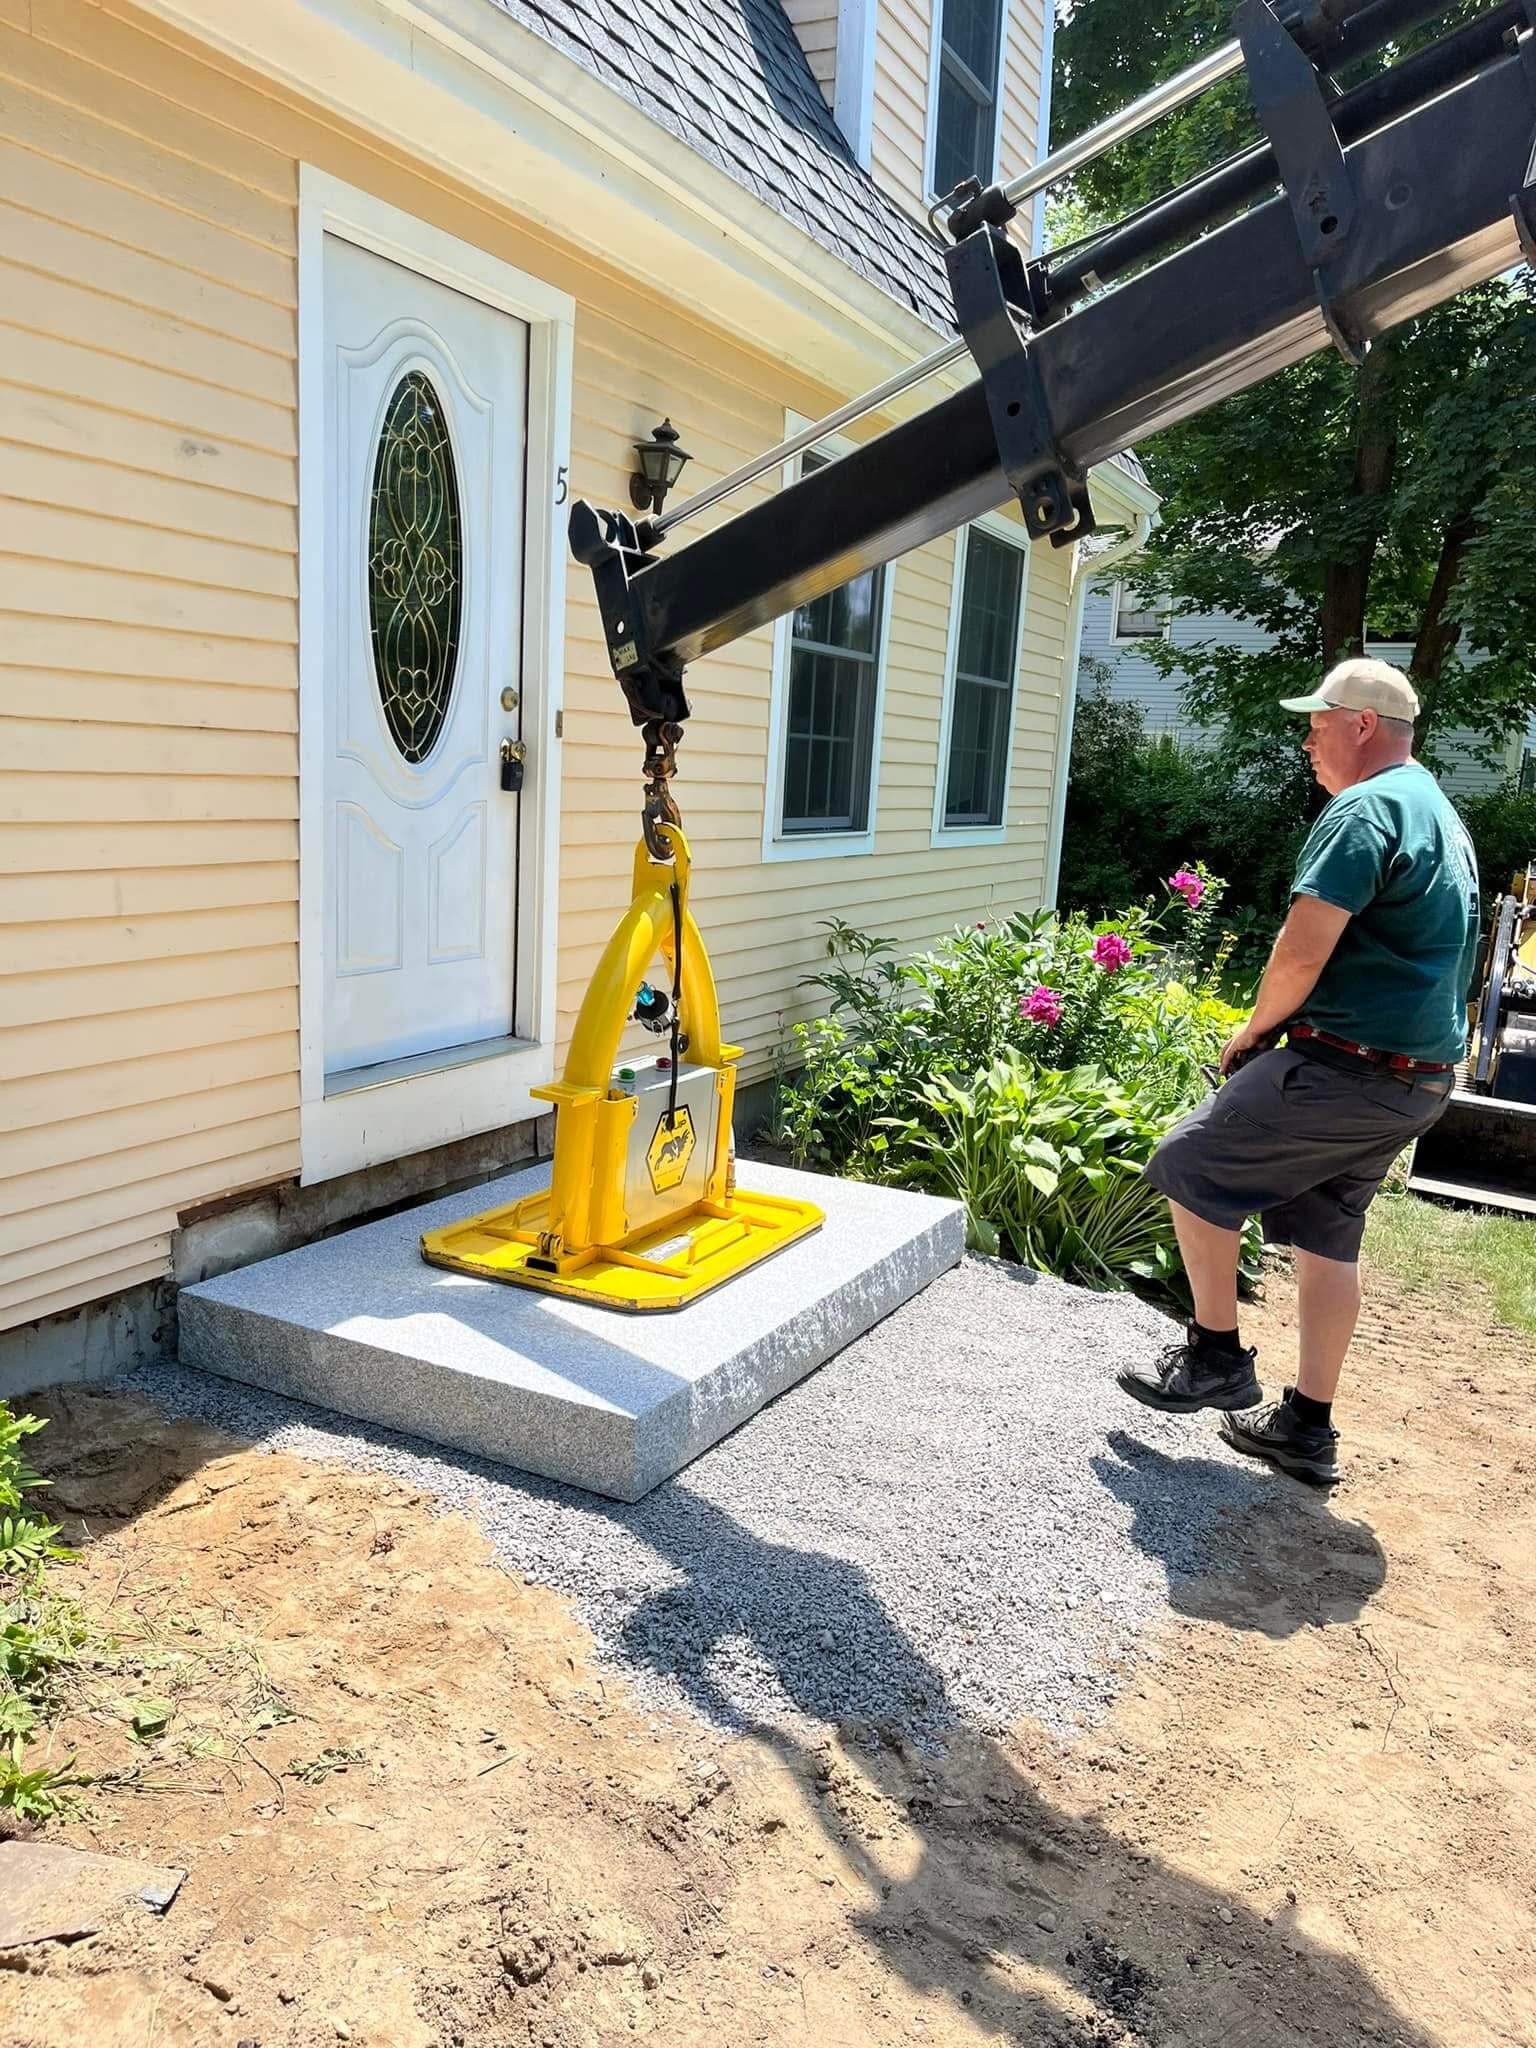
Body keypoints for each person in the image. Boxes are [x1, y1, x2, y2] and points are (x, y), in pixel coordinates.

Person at [1120, 658, 1481, 1484]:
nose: (1308, 742)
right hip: (1417, 1080)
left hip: (1348, 1068)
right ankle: (1306, 1429)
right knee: (1326, 1233)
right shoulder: (1436, 809)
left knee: (1188, 1163)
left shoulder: (1366, 808)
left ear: (1363, 725)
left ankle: (1215, 1356)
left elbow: (1301, 949)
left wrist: (1254, 1030)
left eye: (1318, 726)